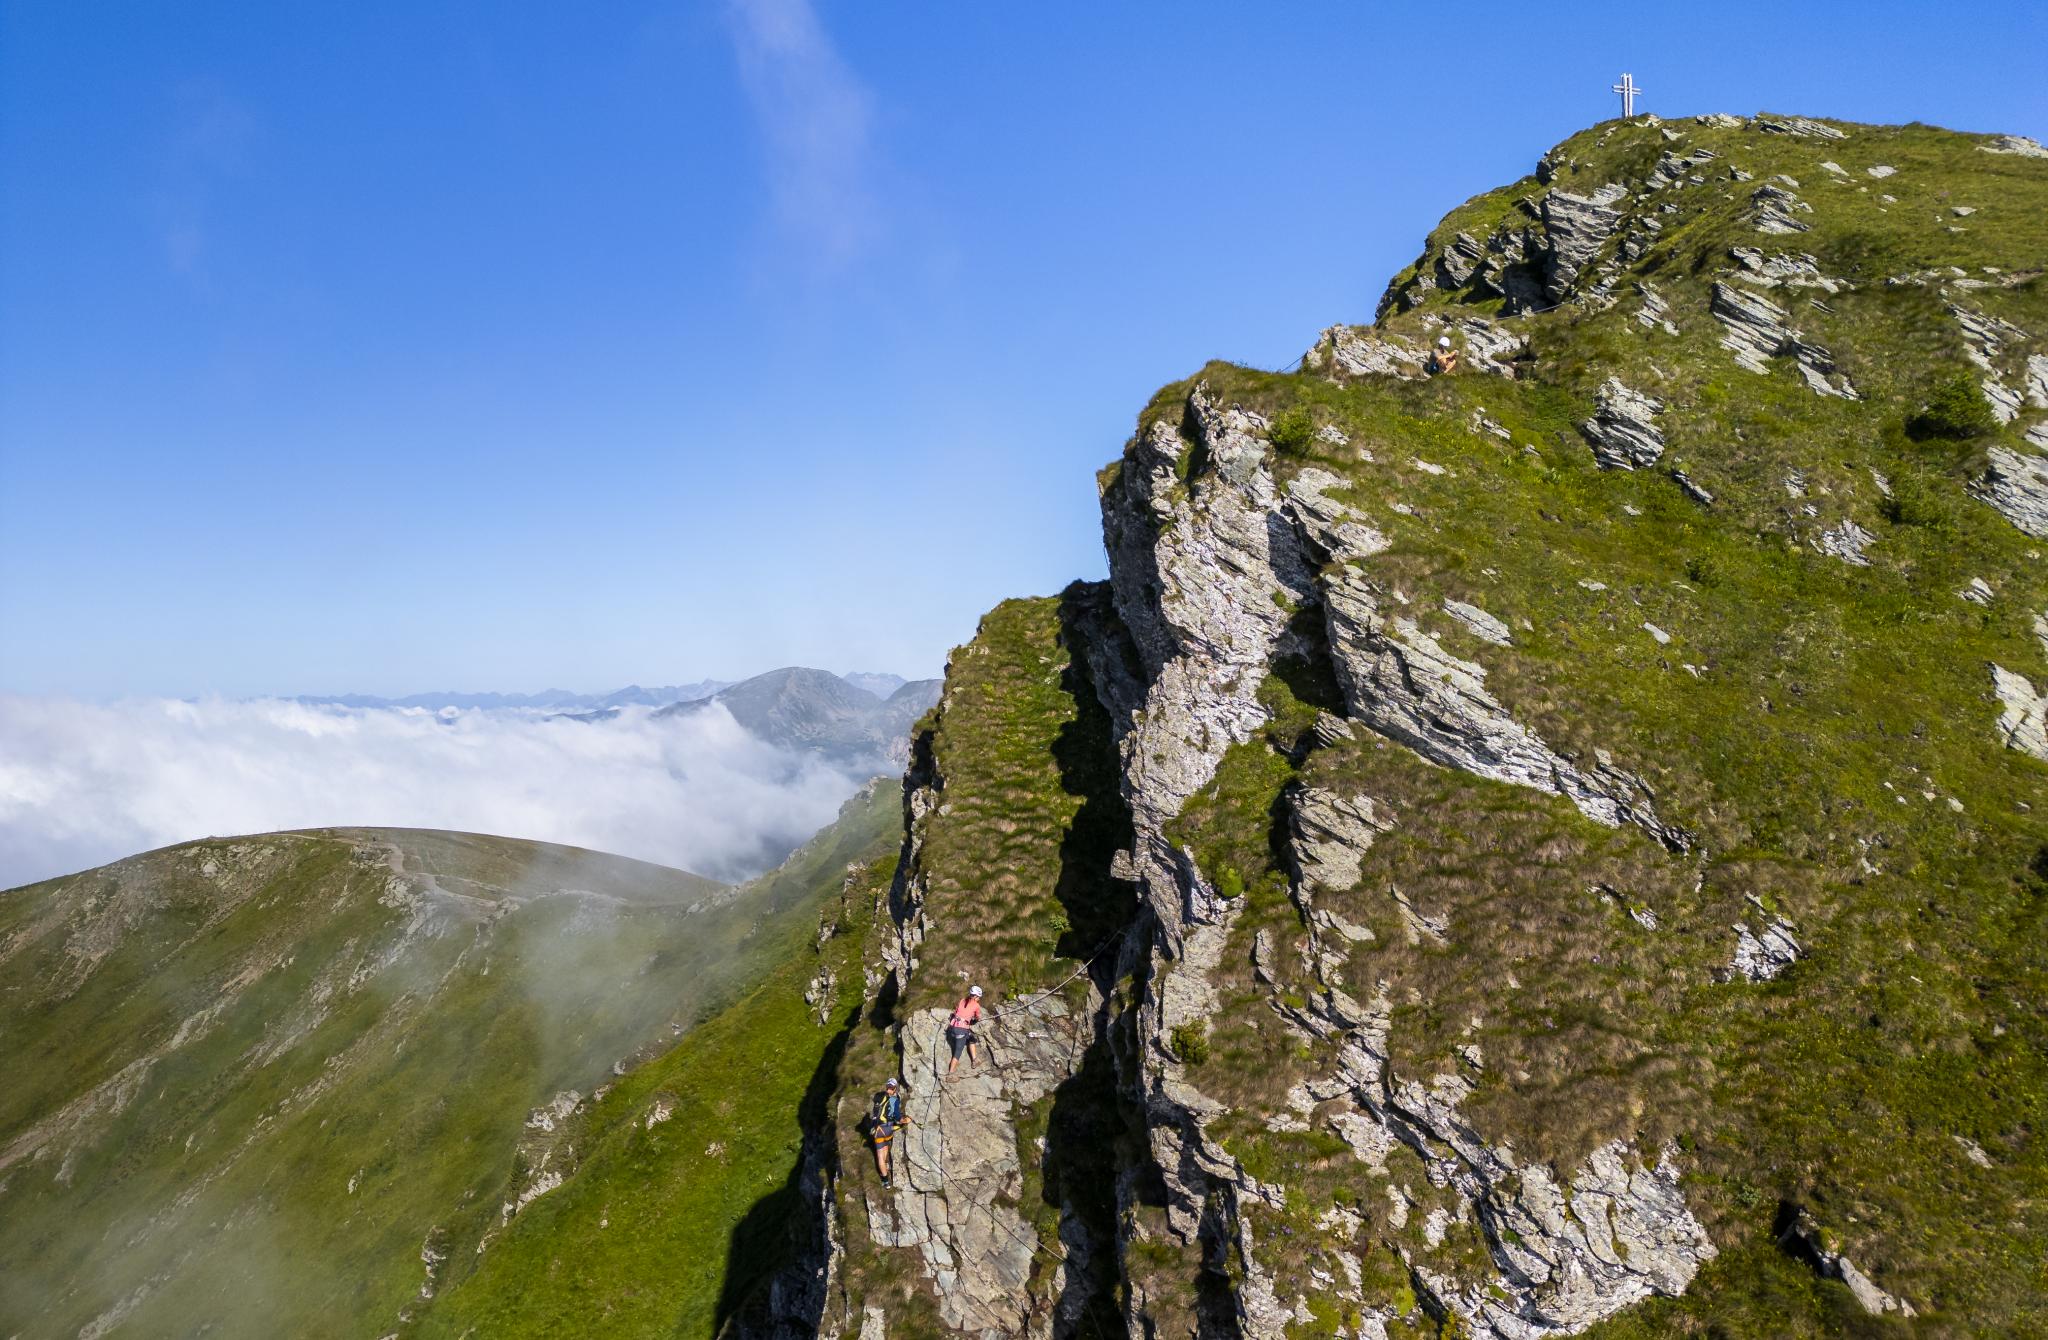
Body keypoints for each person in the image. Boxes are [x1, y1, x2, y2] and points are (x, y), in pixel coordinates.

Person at [867, 1077, 910, 1185]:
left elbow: (876, 1110)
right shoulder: (895, 1099)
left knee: (880, 1156)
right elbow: (898, 1117)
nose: (889, 1089)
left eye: (889, 1087)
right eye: (890, 1087)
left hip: (878, 1130)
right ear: (896, 1088)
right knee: (885, 1150)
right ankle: (885, 1169)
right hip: (888, 1130)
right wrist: (905, 1120)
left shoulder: (879, 1096)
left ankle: (885, 1181)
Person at [945, 985, 985, 1077]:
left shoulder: (962, 1000)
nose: (979, 999)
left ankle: (974, 1059)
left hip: (953, 1027)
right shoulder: (976, 1005)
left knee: (971, 1039)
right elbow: (978, 1017)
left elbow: (956, 1012)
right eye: (978, 997)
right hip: (961, 1031)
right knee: (957, 1053)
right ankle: (950, 1074)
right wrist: (974, 1020)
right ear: (975, 996)